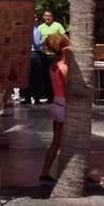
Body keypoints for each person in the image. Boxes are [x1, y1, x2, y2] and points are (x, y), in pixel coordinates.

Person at [39, 32, 71, 184]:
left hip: (56, 104)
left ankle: (45, 173)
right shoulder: (64, 68)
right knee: (68, 141)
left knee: (56, 141)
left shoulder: (53, 66)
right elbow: (67, 90)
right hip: (64, 104)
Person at [36, 10, 66, 102]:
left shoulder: (57, 25)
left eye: (49, 16)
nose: (48, 17)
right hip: (44, 55)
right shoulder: (40, 27)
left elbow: (64, 37)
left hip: (55, 55)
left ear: (52, 17)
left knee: (58, 75)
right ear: (43, 17)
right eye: (46, 16)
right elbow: (38, 41)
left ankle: (58, 95)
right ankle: (49, 97)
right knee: (46, 76)